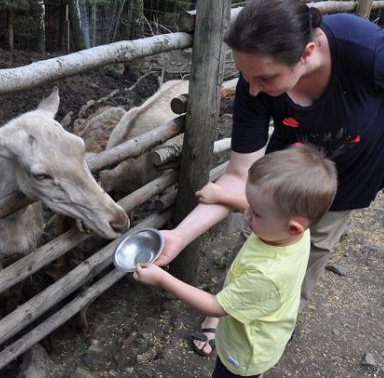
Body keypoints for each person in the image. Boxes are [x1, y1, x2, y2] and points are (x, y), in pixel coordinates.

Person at [156, 0, 384, 357]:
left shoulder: (364, 48)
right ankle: (225, 313)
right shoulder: (253, 86)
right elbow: (240, 175)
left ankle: (280, 317)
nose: (253, 89)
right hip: (291, 168)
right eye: (245, 75)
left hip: (354, 169)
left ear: (307, 53)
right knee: (258, 231)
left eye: (265, 78)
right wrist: (178, 236)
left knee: (313, 247)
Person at [134, 145, 338, 377]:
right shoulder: (295, 232)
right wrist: (222, 196)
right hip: (265, 329)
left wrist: (162, 278)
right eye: (249, 206)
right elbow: (262, 207)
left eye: (256, 214)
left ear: (292, 227)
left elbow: (215, 307)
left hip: (244, 351)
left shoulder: (267, 276)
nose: (247, 214)